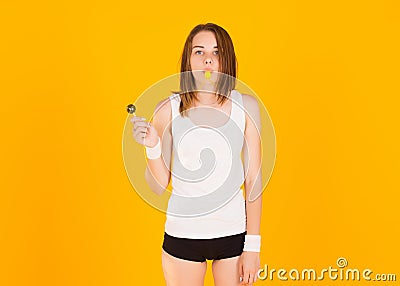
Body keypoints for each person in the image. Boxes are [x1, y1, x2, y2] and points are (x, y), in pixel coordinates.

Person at [131, 23, 262, 286]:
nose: (208, 59)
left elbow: (254, 182)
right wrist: (153, 146)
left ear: (226, 59)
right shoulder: (167, 109)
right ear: (188, 60)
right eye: (199, 52)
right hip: (183, 236)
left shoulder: (246, 107)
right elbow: (157, 186)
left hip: (233, 234)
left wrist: (253, 246)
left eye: (216, 52)